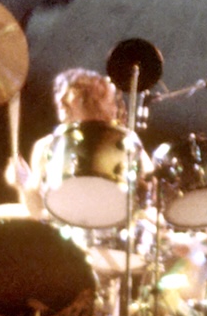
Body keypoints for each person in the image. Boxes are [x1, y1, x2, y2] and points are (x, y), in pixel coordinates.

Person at [7, 67, 122, 221]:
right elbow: (39, 213)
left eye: (77, 94)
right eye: (59, 93)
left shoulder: (122, 142)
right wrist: (24, 184)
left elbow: (145, 196)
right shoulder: (46, 147)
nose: (61, 100)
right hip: (66, 237)